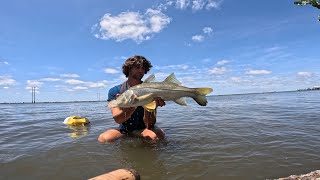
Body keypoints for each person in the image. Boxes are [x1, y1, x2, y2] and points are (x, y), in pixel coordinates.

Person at [98, 55, 166, 143]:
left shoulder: (150, 90)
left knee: (153, 137)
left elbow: (150, 124)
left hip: (143, 128)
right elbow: (118, 120)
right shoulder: (115, 91)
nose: (141, 70)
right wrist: (132, 105)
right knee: (103, 138)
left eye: (143, 68)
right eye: (137, 67)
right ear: (128, 69)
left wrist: (152, 106)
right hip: (124, 129)